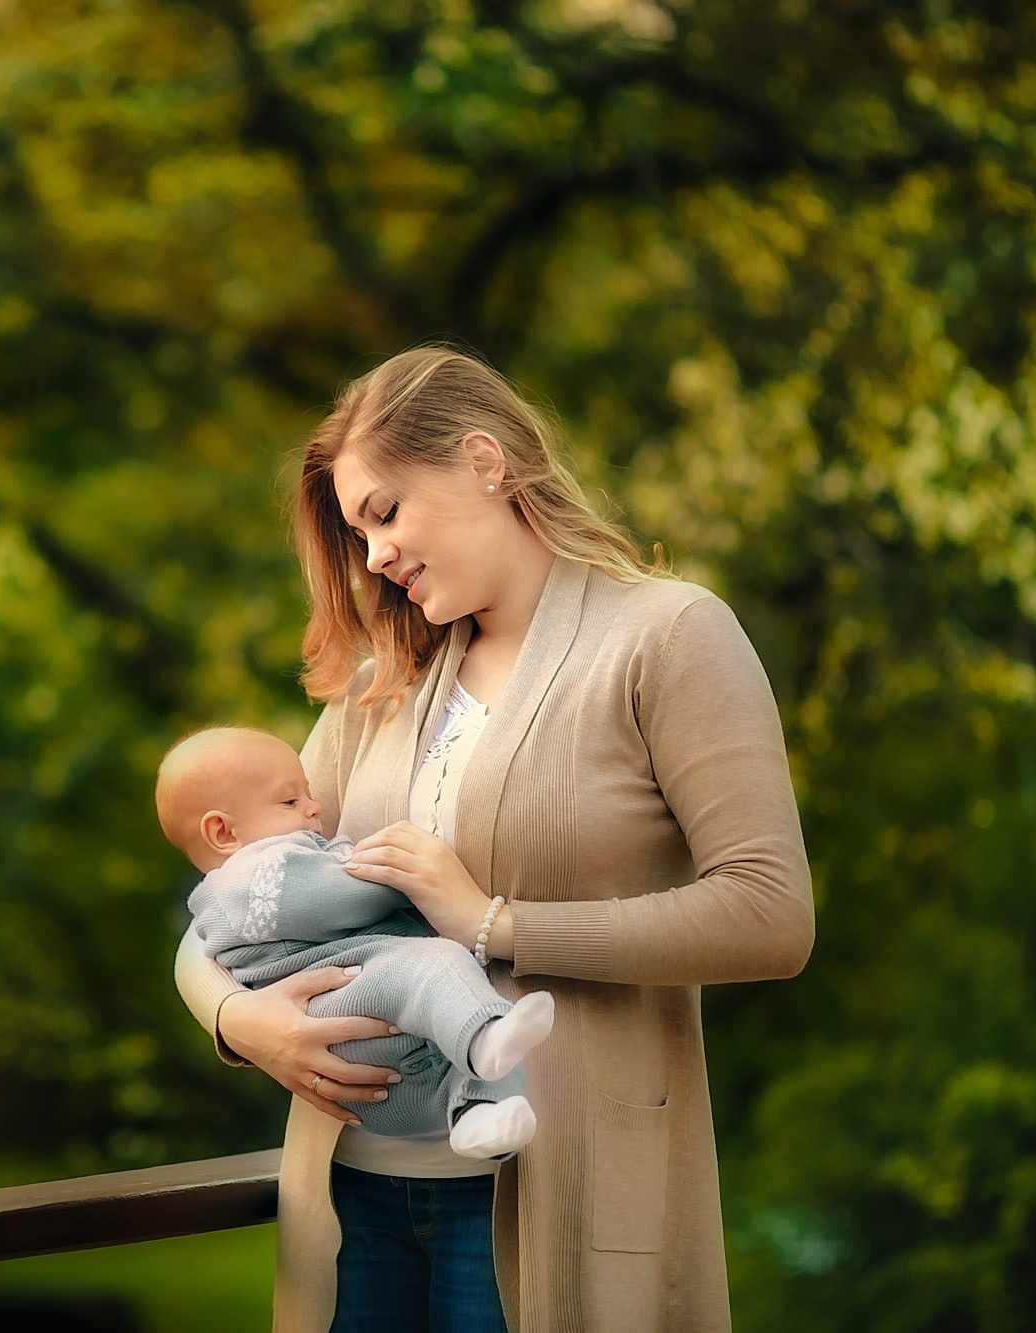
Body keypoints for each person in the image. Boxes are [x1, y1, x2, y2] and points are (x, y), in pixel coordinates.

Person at [174, 346, 814, 1332]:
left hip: (551, 1181)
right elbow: (237, 886)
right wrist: (237, 1022)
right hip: (352, 1192)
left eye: (383, 513)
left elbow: (769, 915)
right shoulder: (378, 683)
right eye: (357, 533)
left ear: (483, 460)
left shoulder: (664, 636)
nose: (373, 556)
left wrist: (494, 923)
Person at [158, 726, 556, 1159]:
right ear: (223, 832)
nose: (315, 807)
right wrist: (414, 877)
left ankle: (480, 1119)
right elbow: (331, 898)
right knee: (433, 963)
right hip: (339, 1001)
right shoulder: (253, 874)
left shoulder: (260, 872)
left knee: (460, 1050)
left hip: (377, 1075)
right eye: (291, 801)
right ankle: (483, 1034)